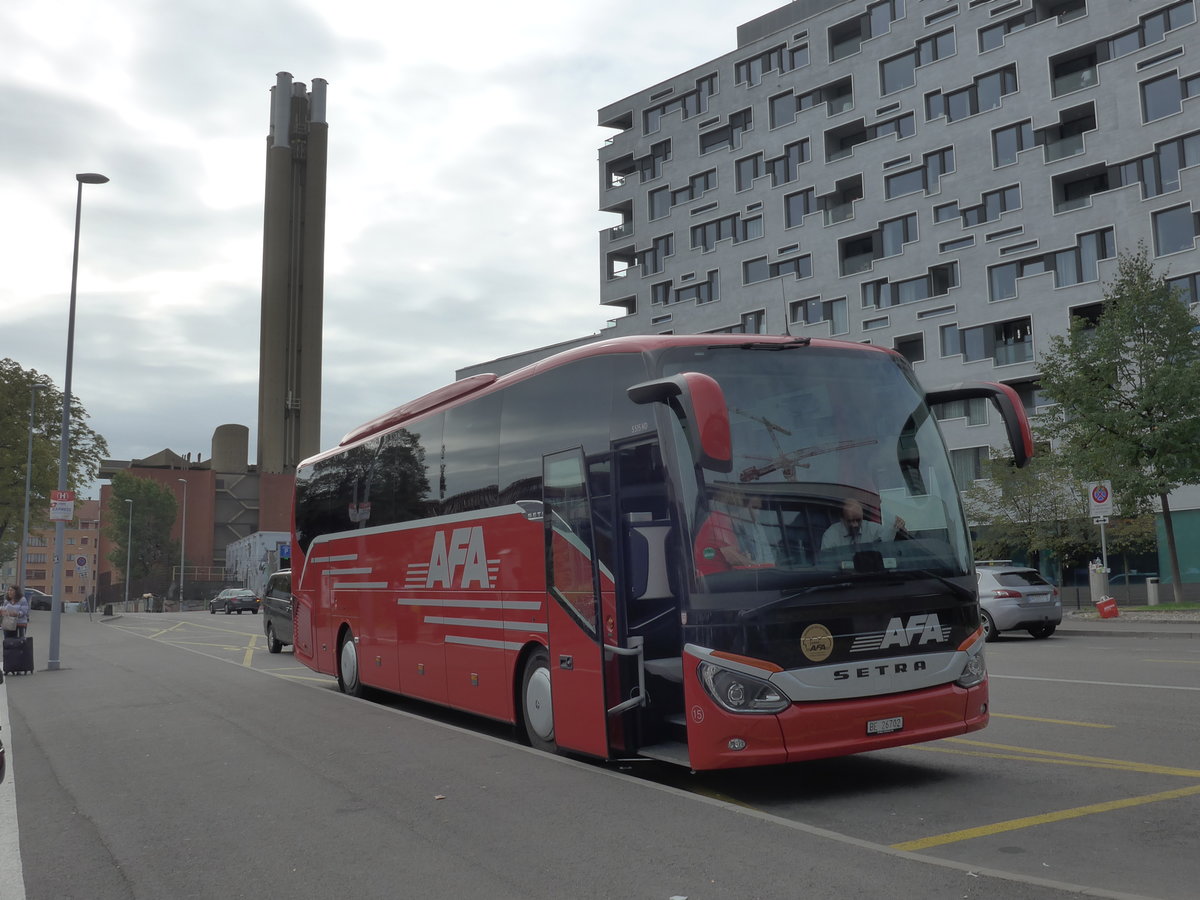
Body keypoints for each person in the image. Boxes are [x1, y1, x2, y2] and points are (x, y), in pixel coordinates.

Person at [694, 487, 777, 575]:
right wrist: (756, 566)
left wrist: (743, 557)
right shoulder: (720, 521)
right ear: (738, 509)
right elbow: (731, 557)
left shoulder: (718, 520)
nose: (757, 513)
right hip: (714, 580)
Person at [820, 498, 905, 552]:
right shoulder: (831, 535)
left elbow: (888, 543)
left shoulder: (873, 529)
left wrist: (898, 529)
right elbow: (827, 563)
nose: (855, 525)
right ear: (842, 519)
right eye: (850, 521)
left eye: (858, 520)